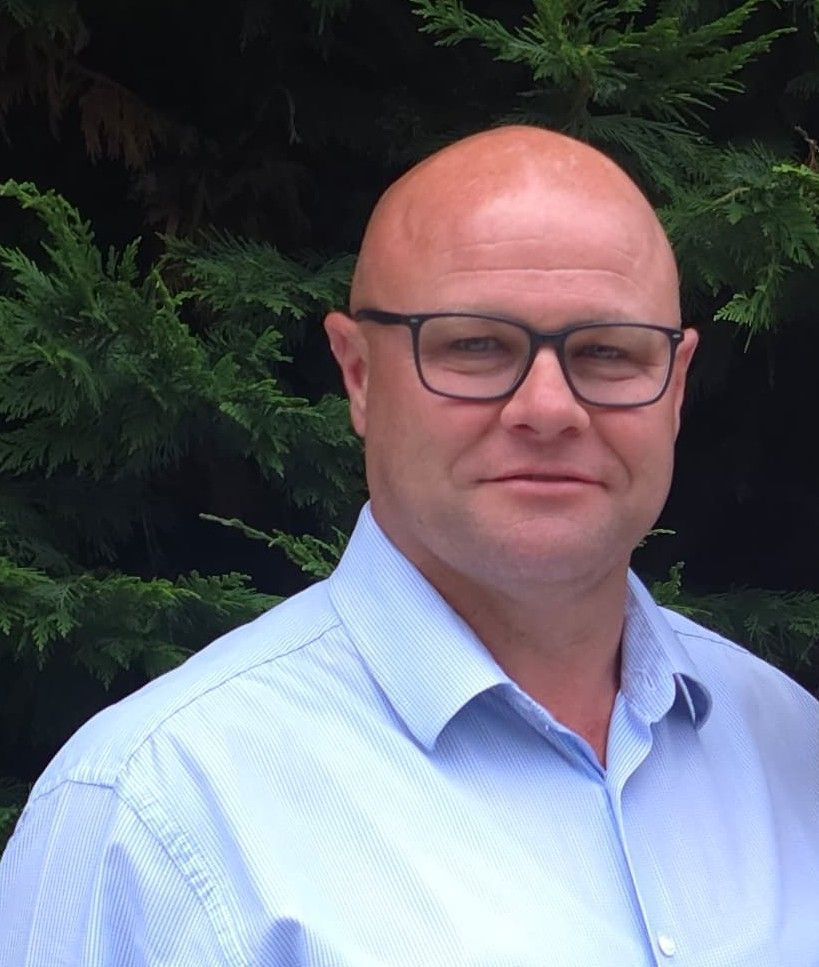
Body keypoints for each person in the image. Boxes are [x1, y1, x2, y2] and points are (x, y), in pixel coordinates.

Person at [1, 126, 817, 966]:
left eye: (607, 352)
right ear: (357, 374)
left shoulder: (791, 748)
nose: (549, 406)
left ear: (674, 386)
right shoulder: (151, 815)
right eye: (473, 345)